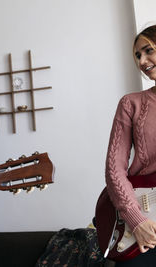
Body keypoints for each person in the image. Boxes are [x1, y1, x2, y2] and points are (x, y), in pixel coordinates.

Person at [105, 24, 156, 266]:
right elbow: (114, 170)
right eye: (138, 55)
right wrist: (136, 220)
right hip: (143, 226)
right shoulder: (131, 103)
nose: (142, 61)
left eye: (148, 51)